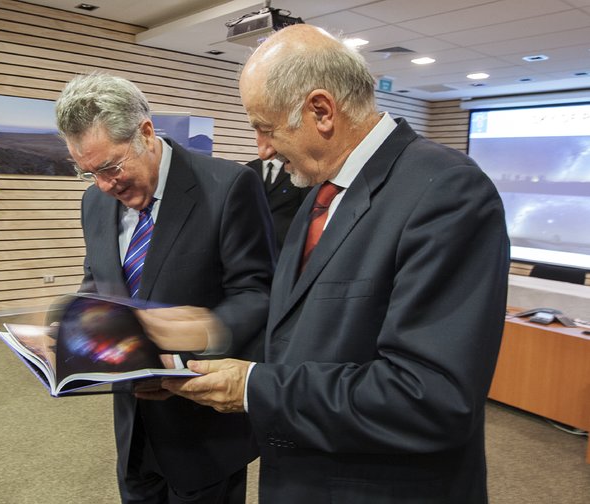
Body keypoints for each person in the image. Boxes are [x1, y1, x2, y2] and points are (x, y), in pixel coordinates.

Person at [161, 25, 510, 503]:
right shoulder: (320, 193)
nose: (261, 148)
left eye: (265, 127)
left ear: (320, 111)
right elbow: (303, 339)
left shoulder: (447, 191)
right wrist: (195, 363)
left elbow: (432, 397)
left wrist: (254, 388)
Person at [55, 72, 275, 504]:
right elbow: (95, 282)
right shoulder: (95, 201)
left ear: (146, 132)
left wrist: (182, 349)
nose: (104, 186)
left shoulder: (228, 187)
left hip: (204, 424)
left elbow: (258, 294)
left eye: (111, 167)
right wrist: (67, 332)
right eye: (88, 173)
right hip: (133, 422)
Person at [246, 157, 311, 251]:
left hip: (287, 243)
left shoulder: (298, 170)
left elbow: (307, 208)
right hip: (252, 243)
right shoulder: (249, 169)